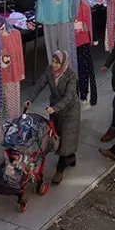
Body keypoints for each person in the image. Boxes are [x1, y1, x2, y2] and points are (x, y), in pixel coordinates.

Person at [29, 50, 81, 184]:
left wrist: (55, 108)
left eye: (57, 63)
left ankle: (60, 170)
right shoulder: (50, 71)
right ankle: (71, 156)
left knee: (65, 139)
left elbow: (69, 96)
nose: (54, 65)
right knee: (55, 135)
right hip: (55, 109)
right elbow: (40, 84)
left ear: (63, 63)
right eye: (53, 61)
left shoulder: (71, 76)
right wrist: (30, 99)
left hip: (69, 110)